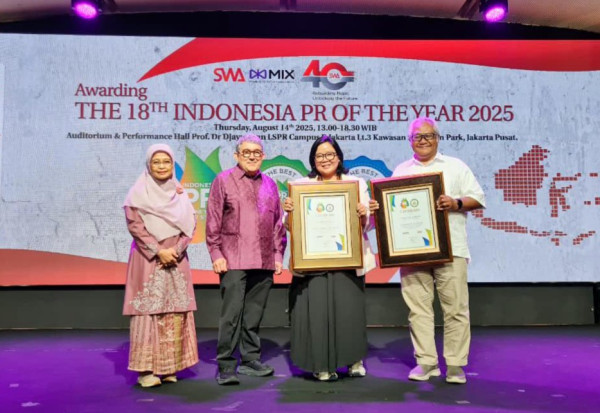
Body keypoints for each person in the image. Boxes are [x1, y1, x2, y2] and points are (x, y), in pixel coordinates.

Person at [371, 117, 485, 384]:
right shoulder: (401, 170)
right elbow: (391, 210)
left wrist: (455, 203)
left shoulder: (455, 166)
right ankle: (426, 363)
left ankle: (455, 365)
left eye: (428, 135)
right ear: (409, 140)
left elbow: (477, 198)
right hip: (410, 251)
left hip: (451, 249)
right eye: (417, 136)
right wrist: (379, 208)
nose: (423, 141)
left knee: (456, 309)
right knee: (418, 310)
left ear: (437, 138)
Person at [283, 135, 376, 382]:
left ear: (339, 157)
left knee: (349, 312)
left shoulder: (355, 184)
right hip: (313, 262)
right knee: (317, 314)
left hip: (348, 260)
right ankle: (321, 364)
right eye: (320, 155)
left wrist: (363, 213)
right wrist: (289, 211)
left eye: (330, 154)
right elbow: (290, 226)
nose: (325, 159)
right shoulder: (301, 186)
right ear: (313, 160)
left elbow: (367, 225)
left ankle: (353, 360)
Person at [206, 133, 286, 385]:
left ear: (263, 156)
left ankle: (250, 359)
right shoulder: (223, 180)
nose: (252, 156)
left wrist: (278, 255)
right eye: (246, 152)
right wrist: (216, 253)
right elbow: (213, 220)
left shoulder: (270, 184)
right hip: (233, 259)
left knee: (254, 314)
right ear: (237, 155)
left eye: (256, 152)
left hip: (264, 260)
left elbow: (277, 224)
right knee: (231, 315)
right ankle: (226, 364)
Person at [122, 144, 198, 388]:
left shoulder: (179, 194)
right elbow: (135, 226)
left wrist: (176, 250)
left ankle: (168, 367)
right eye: (156, 162)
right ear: (149, 165)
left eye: (167, 161)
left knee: (174, 311)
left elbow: (191, 225)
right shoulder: (137, 194)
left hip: (176, 259)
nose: (162, 166)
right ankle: (146, 370)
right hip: (148, 260)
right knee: (149, 312)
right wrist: (159, 251)